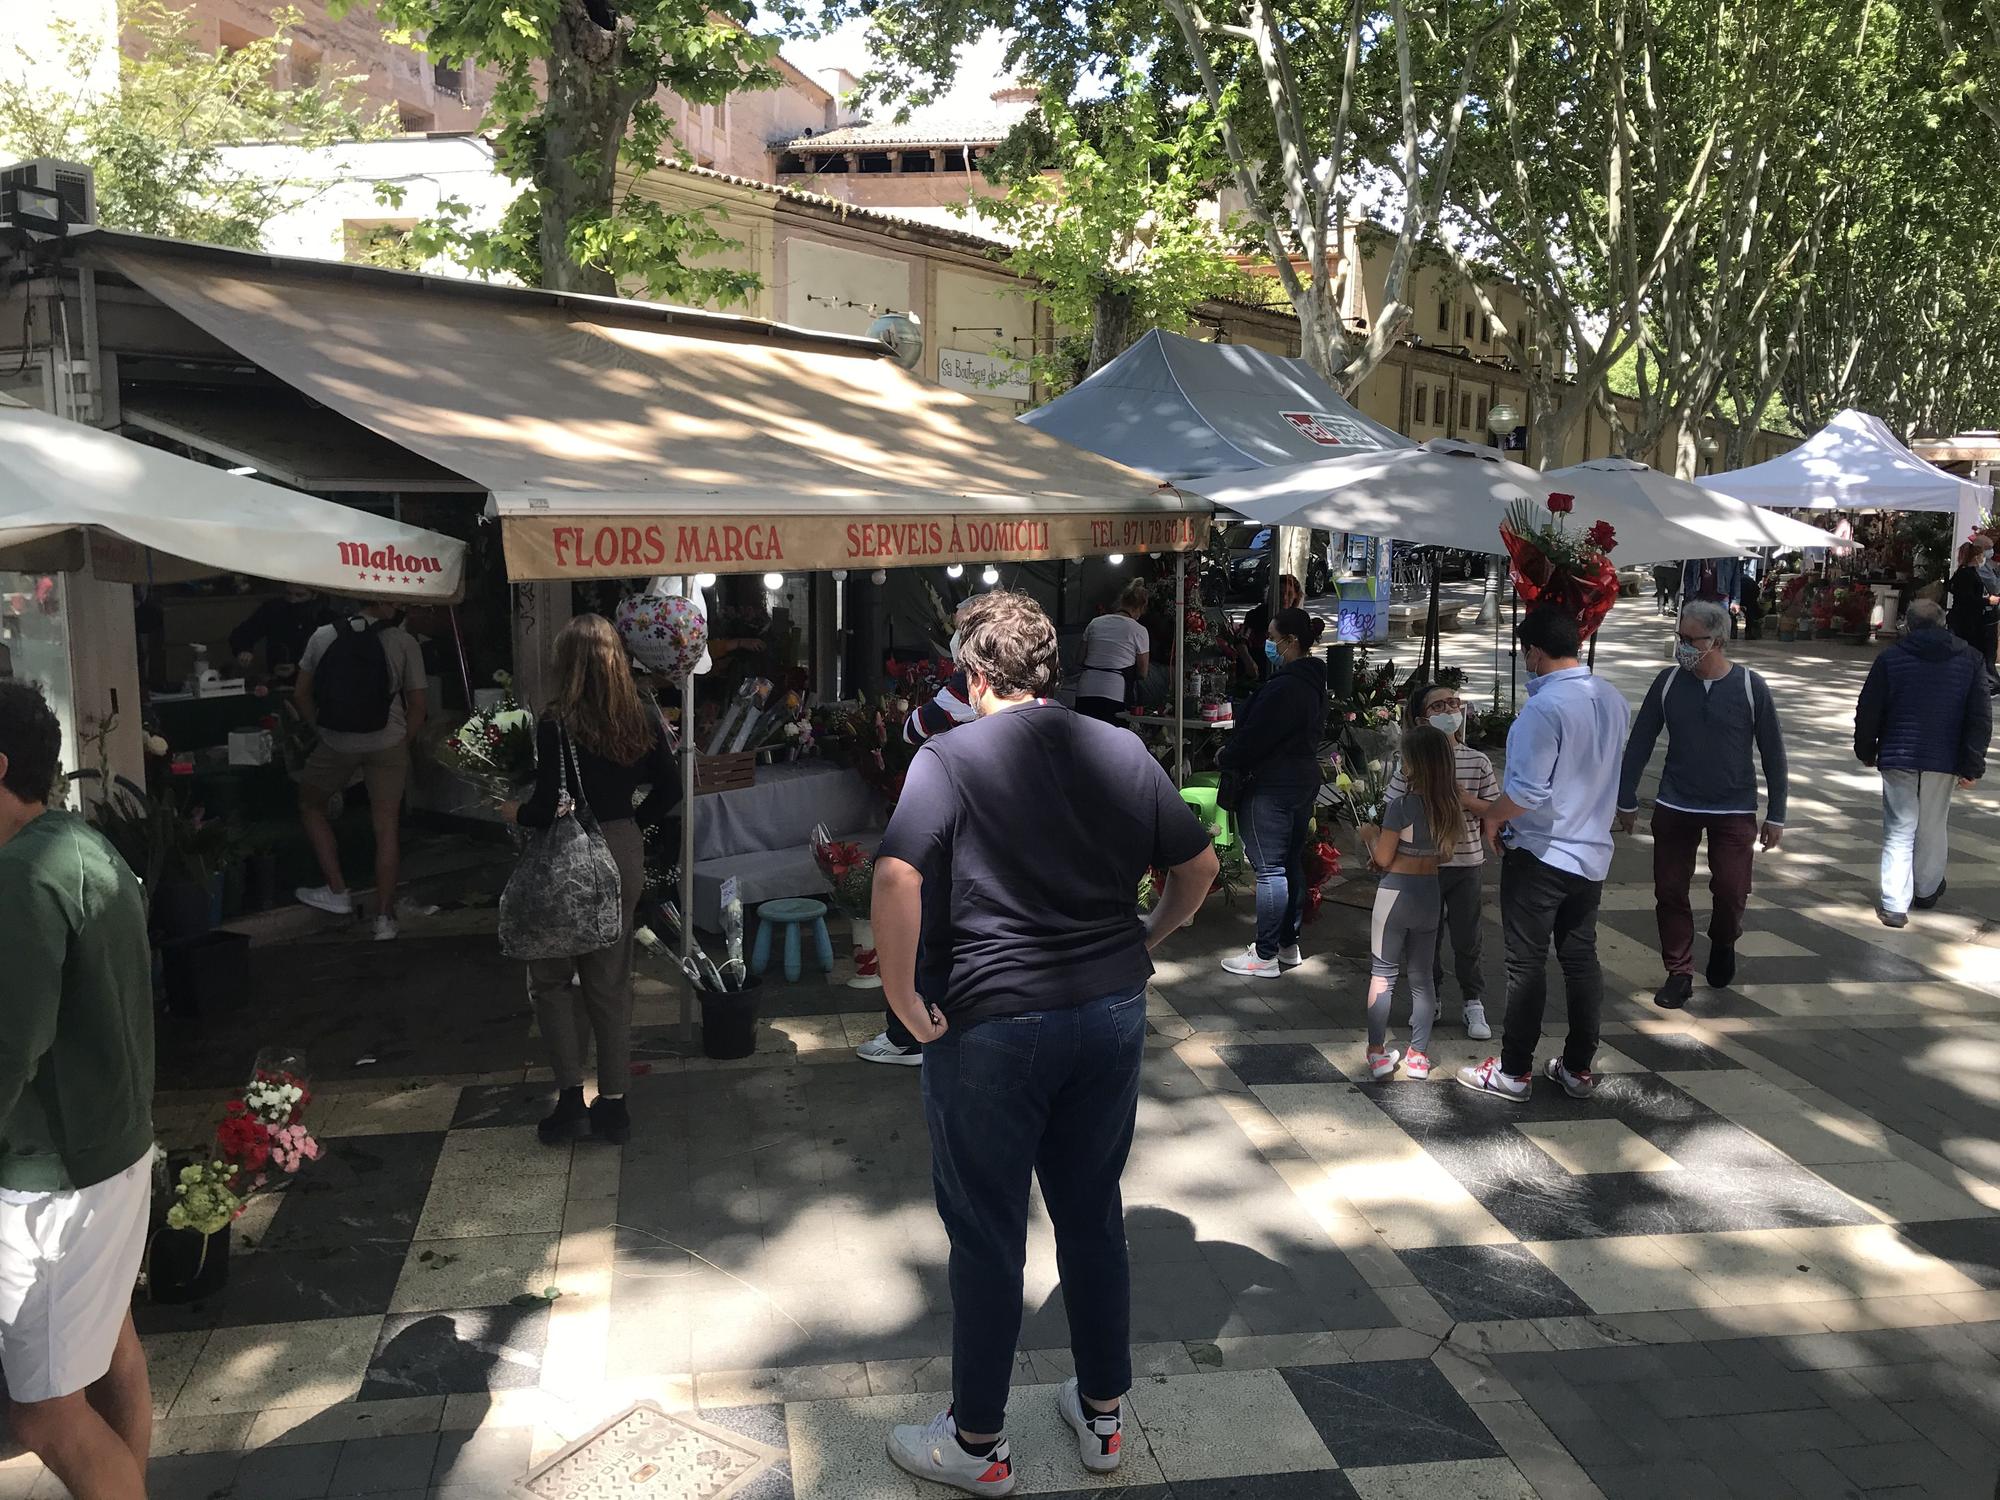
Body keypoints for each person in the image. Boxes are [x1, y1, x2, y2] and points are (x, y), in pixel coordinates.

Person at [872, 591, 1217, 1496]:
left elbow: (898, 873)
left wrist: (902, 997)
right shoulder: (1119, 746)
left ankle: (978, 1443)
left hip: (992, 1022)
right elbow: (1199, 866)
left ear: (976, 674)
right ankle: (1103, 1415)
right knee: (1092, 1210)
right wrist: (1144, 940)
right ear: (1048, 672)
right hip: (1107, 1012)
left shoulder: (945, 757)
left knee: (987, 1232)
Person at [0, 681, 155, 1500]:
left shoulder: (24, 877)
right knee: (109, 1352)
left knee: (44, 1414)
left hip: (53, 1181)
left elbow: (5, 1047)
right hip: (109, 1150)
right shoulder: (78, 843)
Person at [503, 616, 677, 1145]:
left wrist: (509, 811)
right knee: (611, 980)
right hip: (621, 849)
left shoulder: (557, 723)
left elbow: (547, 806)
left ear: (567, 664)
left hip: (568, 851)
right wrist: (631, 828)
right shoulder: (641, 715)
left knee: (552, 980)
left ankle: (570, 1102)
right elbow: (670, 789)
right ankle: (615, 1107)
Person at [1459, 609, 1629, 1103]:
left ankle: (1514, 1071)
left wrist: (1492, 813)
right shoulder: (1612, 698)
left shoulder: (1544, 709)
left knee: (1526, 964)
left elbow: (1528, 794)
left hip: (1543, 854)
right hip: (1592, 852)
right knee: (1580, 960)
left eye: (1524, 652)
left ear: (1533, 651)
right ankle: (1578, 1068)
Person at [1616, 599, 1789, 1009]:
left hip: (1734, 806)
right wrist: (1625, 797)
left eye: (1690, 640)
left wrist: (1776, 813)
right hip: (1676, 802)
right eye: (1680, 639)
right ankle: (1678, 972)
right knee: (1670, 889)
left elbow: (1773, 751)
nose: (1683, 648)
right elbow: (1640, 741)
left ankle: (1725, 938)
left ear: (1717, 641)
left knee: (1731, 890)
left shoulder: (1749, 686)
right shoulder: (1669, 683)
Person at [856, 618, 979, 1067]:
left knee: (929, 926)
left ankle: (909, 1033)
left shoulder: (967, 685)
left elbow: (912, 730)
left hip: (953, 818)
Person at [293, 600, 429, 940]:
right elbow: (418, 705)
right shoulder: (403, 641)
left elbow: (301, 694)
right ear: (382, 602)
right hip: (389, 741)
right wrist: (401, 741)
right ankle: (384, 918)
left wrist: (322, 732)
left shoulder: (322, 636)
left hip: (337, 741)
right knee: (386, 827)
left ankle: (337, 891)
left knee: (311, 805)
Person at [1854, 599, 1991, 927]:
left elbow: (1869, 708)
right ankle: (1927, 890)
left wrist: (1866, 749)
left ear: (1908, 625)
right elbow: (1979, 718)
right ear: (1944, 623)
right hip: (1944, 758)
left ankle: (1894, 904)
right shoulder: (1970, 659)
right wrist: (1972, 764)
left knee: (1899, 829)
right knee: (1932, 825)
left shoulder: (1891, 658)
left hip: (1898, 754)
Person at [1217, 606, 1326, 977]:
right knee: (1288, 862)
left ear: (1290, 641)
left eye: (1271, 636)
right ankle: (1286, 944)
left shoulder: (1287, 687)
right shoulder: (1311, 682)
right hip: (1299, 780)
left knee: (1269, 869)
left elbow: (1256, 738)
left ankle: (1264, 954)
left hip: (1273, 784)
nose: (1266, 643)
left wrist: (1227, 755)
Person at [1389, 682, 1498, 1040]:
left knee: (1468, 938)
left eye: (1454, 703)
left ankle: (1473, 1001)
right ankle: (1429, 998)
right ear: (1422, 720)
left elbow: (1495, 812)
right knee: (1425, 938)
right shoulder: (1409, 764)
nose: (1450, 711)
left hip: (1466, 864)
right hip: (1422, 868)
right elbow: (1390, 809)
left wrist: (1467, 800)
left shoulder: (1476, 760)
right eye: (1439, 706)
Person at [1361, 723, 1461, 1080]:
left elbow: (1384, 858)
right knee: (1422, 978)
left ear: (1412, 764)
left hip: (1395, 894)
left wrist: (1371, 838)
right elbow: (1444, 856)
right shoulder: (1450, 807)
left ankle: (1376, 1051)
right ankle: (1419, 1054)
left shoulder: (1401, 806)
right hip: (1429, 894)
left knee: (1383, 975)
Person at [1075, 579, 1152, 723]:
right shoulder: (1139, 630)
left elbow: (1079, 659)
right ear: (1140, 607)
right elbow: (1143, 672)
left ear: (1121, 601)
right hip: (1114, 692)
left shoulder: (1095, 622)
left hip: (1085, 688)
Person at [228, 583, 326, 677]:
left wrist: (298, 667)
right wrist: (243, 649)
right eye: (288, 594)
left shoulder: (323, 615)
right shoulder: (274, 609)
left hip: (314, 678)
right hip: (276, 674)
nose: (293, 600)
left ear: (314, 595)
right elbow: (244, 632)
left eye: (299, 595)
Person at [1945, 537, 2000, 693]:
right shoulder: (1968, 574)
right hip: (1968, 621)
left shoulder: (1963, 573)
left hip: (1968, 619)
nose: (1984, 558)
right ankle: (1987, 682)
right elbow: (1967, 598)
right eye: (1982, 554)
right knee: (1975, 651)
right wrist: (1988, 601)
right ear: (1976, 556)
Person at [1243, 573, 1304, 680]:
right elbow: (1241, 641)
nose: (1284, 598)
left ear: (1295, 597)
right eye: (1280, 594)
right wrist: (1249, 662)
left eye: (1289, 594)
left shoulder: (1295, 619)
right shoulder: (1257, 614)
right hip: (1259, 671)